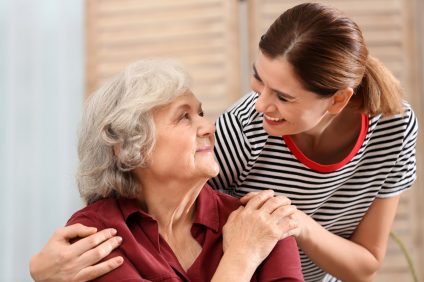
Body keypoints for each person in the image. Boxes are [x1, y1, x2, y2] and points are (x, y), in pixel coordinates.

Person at [30, 2, 418, 281]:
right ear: (131, 144)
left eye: (283, 97)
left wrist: (286, 226)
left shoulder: (263, 223)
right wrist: (40, 272)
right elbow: (139, 194)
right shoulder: (107, 237)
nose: (261, 104)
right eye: (257, 80)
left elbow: (366, 261)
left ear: (338, 100)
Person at [30, 58, 303, 282]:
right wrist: (242, 256)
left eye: (200, 113)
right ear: (127, 145)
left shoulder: (262, 221)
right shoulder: (96, 236)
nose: (209, 127)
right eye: (184, 117)